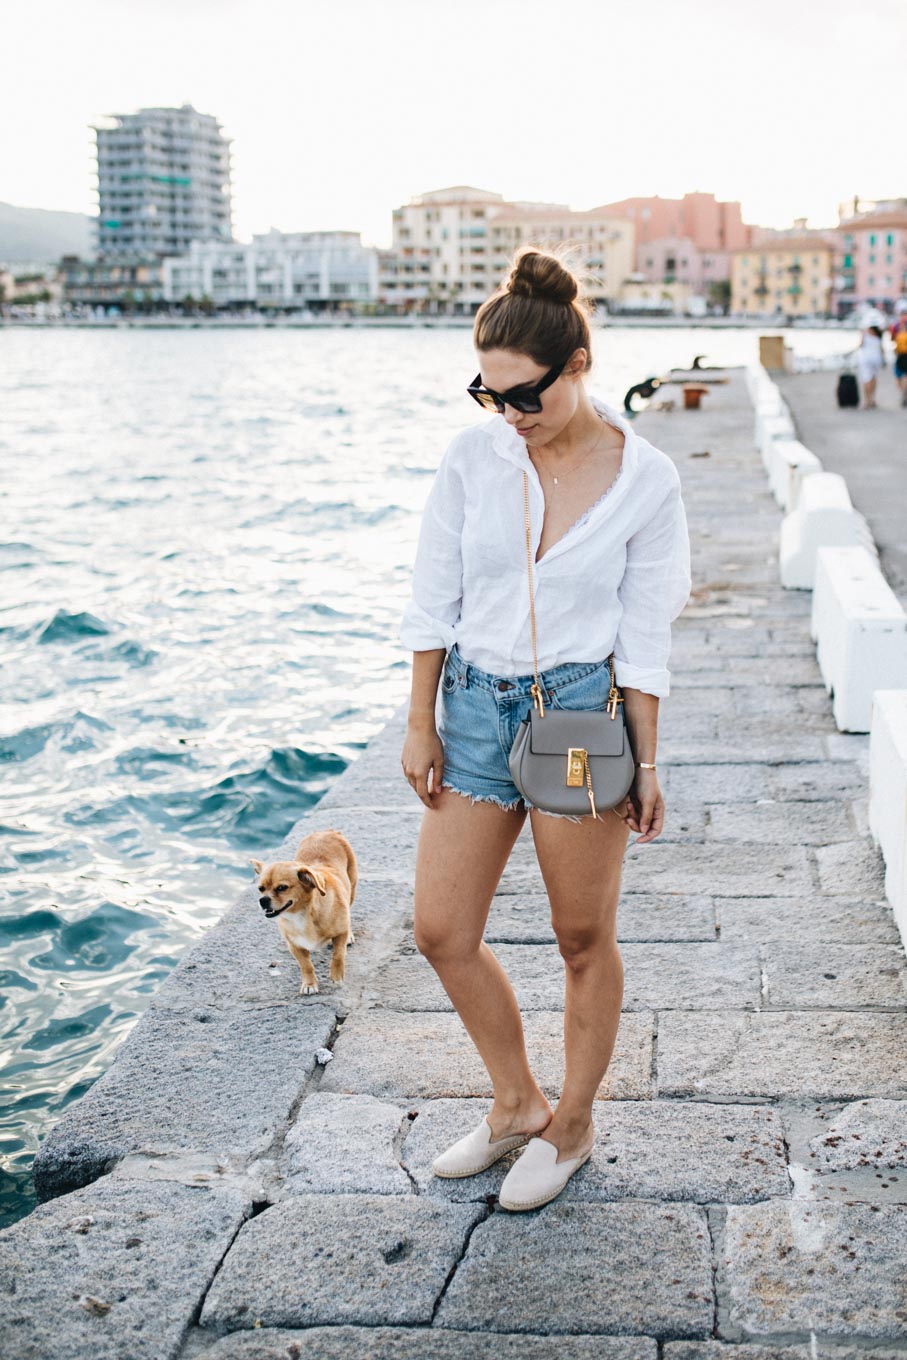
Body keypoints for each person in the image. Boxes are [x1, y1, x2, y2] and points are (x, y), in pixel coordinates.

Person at [398, 247, 691, 1211]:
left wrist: (646, 763)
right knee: (441, 930)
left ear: (575, 368)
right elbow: (432, 591)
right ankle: (516, 1101)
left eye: (523, 396)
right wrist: (420, 721)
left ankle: (572, 1122)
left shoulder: (643, 481)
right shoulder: (474, 452)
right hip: (475, 708)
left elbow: (644, 637)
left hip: (575, 713)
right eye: (488, 395)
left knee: (578, 935)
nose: (506, 416)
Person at [856, 324, 884, 408]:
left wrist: (862, 334)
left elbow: (860, 345)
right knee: (873, 378)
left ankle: (867, 400)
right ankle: (872, 399)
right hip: (876, 359)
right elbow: (881, 349)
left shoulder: (865, 334)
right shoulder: (878, 335)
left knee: (866, 379)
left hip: (866, 359)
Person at [891, 314, 907, 407]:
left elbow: (892, 340)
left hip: (900, 356)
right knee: (905, 376)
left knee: (899, 377)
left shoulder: (897, 331)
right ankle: (905, 393)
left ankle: (903, 392)